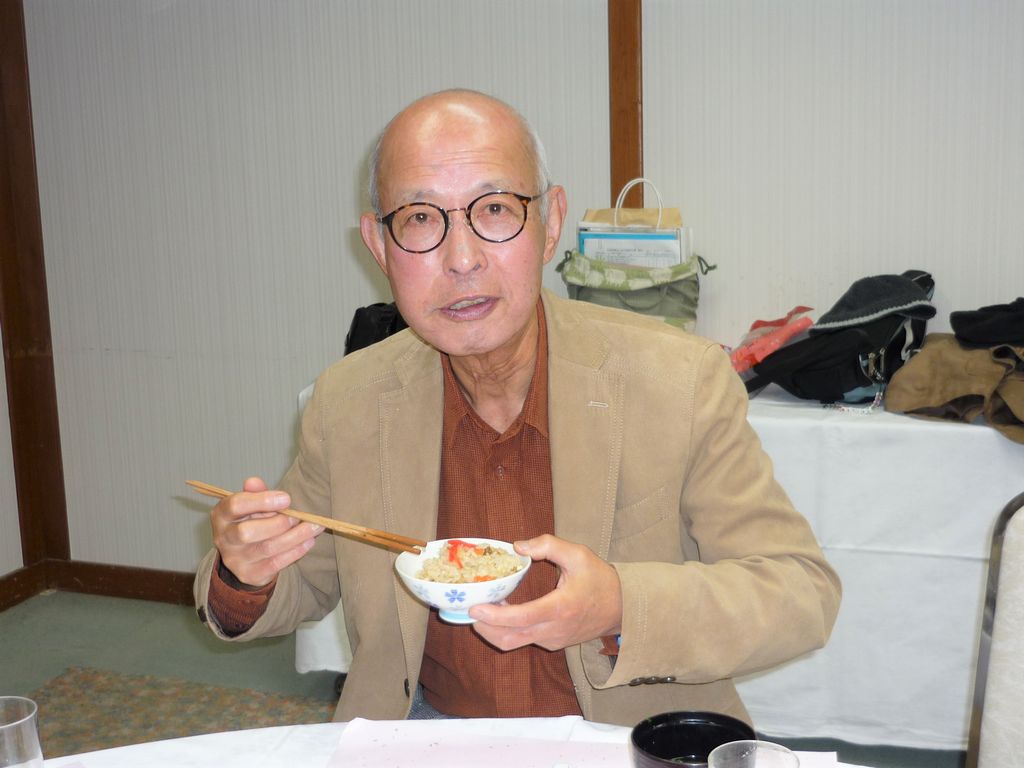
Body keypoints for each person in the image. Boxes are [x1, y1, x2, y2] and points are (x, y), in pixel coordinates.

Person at [193, 89, 841, 726]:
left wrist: (621, 604)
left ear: (551, 222)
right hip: (424, 728)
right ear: (380, 245)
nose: (462, 259)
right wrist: (246, 570)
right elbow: (301, 583)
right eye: (420, 219)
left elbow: (798, 592)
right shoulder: (349, 401)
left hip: (622, 739)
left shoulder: (679, 381)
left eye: (496, 209)